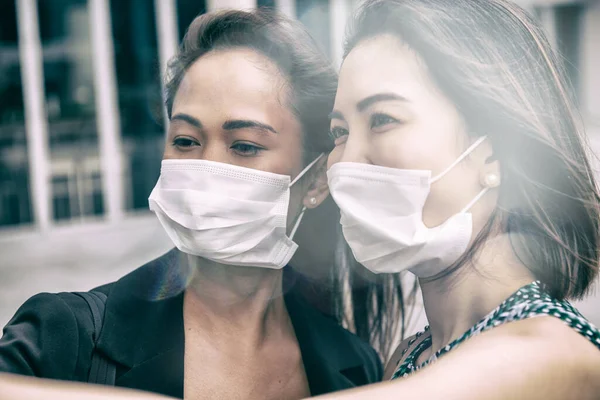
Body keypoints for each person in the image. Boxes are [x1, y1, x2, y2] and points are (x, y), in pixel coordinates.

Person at [0, 9, 392, 400]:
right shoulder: (63, 336)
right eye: (186, 140)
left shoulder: (355, 367)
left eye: (244, 146)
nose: (207, 167)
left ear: (316, 179)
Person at [309, 0, 600, 398]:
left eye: (382, 119)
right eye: (339, 132)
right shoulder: (410, 357)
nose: (346, 161)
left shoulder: (553, 348)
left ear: (494, 152)